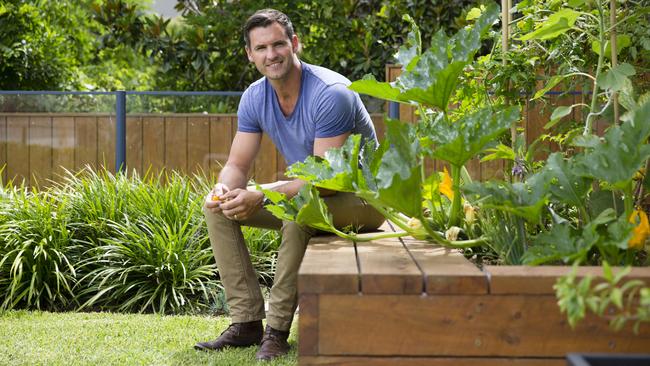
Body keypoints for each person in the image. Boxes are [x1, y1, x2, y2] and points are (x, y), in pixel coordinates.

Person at [194, 8, 385, 361]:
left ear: (294, 44)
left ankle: (277, 331)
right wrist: (223, 190)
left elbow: (327, 183)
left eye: (279, 44)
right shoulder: (254, 96)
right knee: (218, 210)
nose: (272, 54)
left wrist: (262, 193)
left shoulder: (332, 93)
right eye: (261, 48)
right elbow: (237, 164)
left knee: (299, 215)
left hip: (364, 201)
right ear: (250, 54)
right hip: (309, 195)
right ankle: (247, 322)